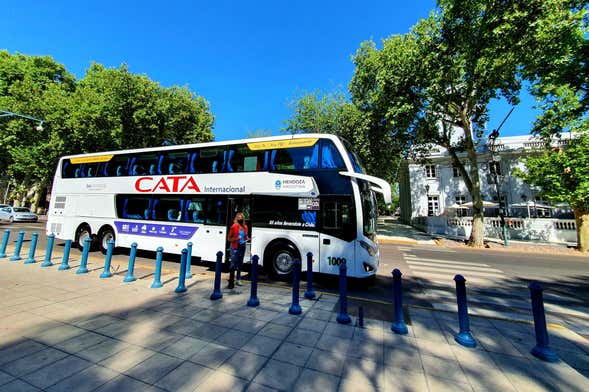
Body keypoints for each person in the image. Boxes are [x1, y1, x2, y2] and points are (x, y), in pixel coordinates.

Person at [227, 211, 248, 288]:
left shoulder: (245, 227)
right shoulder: (234, 226)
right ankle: (231, 279)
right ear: (236, 218)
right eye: (239, 218)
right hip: (235, 247)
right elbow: (229, 238)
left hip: (242, 247)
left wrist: (247, 238)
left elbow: (245, 236)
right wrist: (236, 238)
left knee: (240, 264)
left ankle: (238, 279)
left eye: (241, 218)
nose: (240, 219)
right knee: (233, 263)